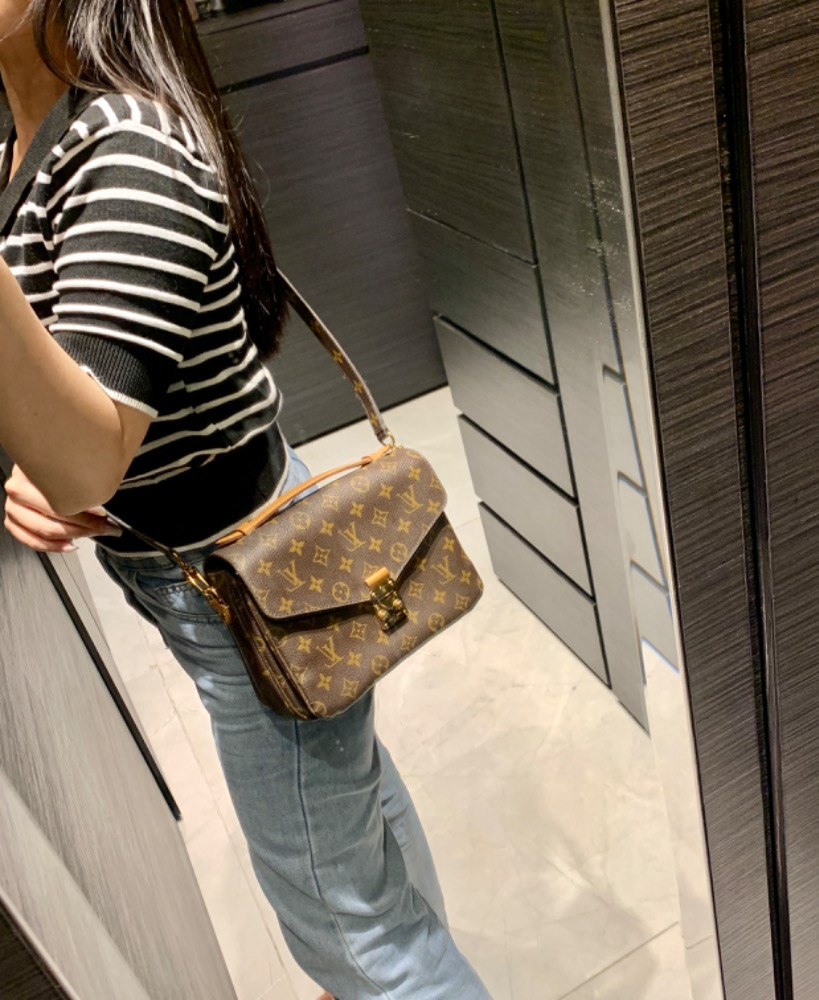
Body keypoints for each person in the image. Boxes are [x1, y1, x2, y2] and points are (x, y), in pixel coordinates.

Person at [0, 1, 490, 997]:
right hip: (218, 572)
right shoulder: (27, 138)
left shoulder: (123, 142)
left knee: (350, 932)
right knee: (359, 836)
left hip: (247, 584)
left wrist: (59, 454)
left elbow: (85, 463)